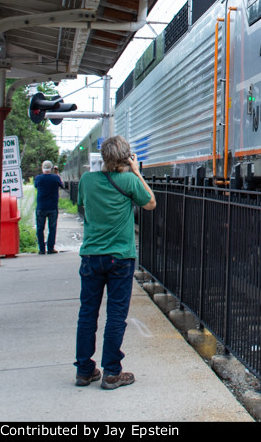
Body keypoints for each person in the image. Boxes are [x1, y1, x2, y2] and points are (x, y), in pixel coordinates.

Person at [74, 135, 156, 390]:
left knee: (87, 313)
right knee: (115, 316)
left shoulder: (87, 180)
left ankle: (85, 371)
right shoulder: (129, 180)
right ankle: (112, 372)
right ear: (126, 158)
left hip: (91, 256)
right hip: (120, 257)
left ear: (103, 157)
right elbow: (150, 203)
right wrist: (136, 172)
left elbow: (81, 208)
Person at [33, 159, 65, 254]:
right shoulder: (55, 178)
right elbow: (62, 185)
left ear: (43, 168)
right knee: (52, 228)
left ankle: (41, 249)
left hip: (41, 207)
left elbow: (36, 186)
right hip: (52, 207)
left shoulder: (38, 178)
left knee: (40, 228)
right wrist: (57, 173)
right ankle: (50, 248)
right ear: (51, 168)